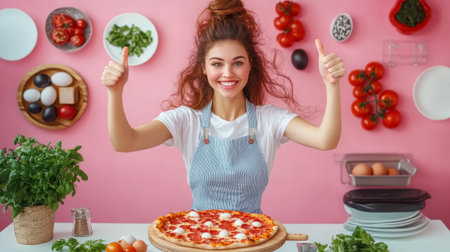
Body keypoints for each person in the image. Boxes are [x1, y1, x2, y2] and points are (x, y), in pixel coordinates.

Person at [101, 0, 345, 214]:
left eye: (238, 63)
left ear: (251, 66)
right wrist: (115, 91)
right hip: (199, 239)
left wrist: (331, 85)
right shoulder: (186, 121)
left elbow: (325, 140)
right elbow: (125, 142)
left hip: (253, 239)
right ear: (204, 68)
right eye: (217, 64)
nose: (228, 73)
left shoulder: (270, 120)